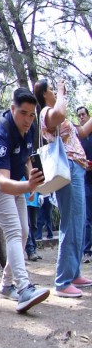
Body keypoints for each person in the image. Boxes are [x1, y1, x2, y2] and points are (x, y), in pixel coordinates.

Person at [0, 87, 50, 313]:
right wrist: (28, 185)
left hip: (19, 183)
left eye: (32, 115)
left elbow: (27, 157)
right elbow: (2, 182)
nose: (28, 119)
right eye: (23, 113)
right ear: (12, 109)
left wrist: (31, 179)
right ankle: (23, 289)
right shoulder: (1, 134)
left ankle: (5, 285)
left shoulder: (29, 129)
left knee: (23, 233)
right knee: (13, 232)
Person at [34, 78, 92, 297]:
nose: (56, 92)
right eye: (52, 90)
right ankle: (63, 281)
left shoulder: (60, 115)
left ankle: (74, 272)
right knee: (71, 223)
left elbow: (83, 133)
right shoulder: (47, 113)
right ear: (44, 95)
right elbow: (58, 115)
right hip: (66, 169)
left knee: (78, 221)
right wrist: (60, 90)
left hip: (77, 170)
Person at [76, 105, 92, 263]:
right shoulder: (79, 138)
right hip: (85, 180)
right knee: (87, 217)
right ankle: (87, 250)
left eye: (83, 114)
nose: (81, 117)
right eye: (79, 115)